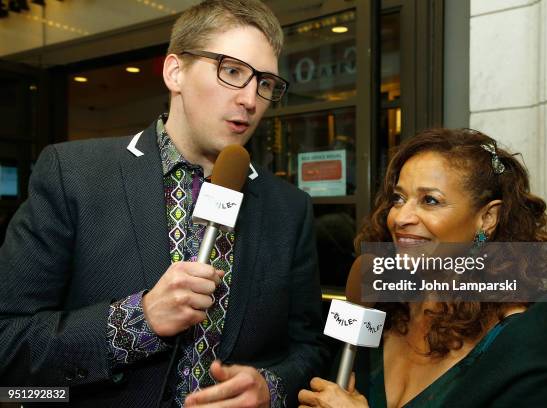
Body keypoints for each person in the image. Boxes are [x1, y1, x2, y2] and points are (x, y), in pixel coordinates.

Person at [0, 1, 326, 407]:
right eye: (232, 72)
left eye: (264, 83)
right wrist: (139, 320)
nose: (250, 99)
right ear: (175, 71)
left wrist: (271, 387)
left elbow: (309, 347)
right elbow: (8, 341)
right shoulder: (75, 176)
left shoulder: (288, 208)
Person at [298, 128, 547, 407]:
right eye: (399, 198)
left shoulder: (527, 350)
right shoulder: (383, 304)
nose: (400, 217)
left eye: (430, 200)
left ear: (487, 218)